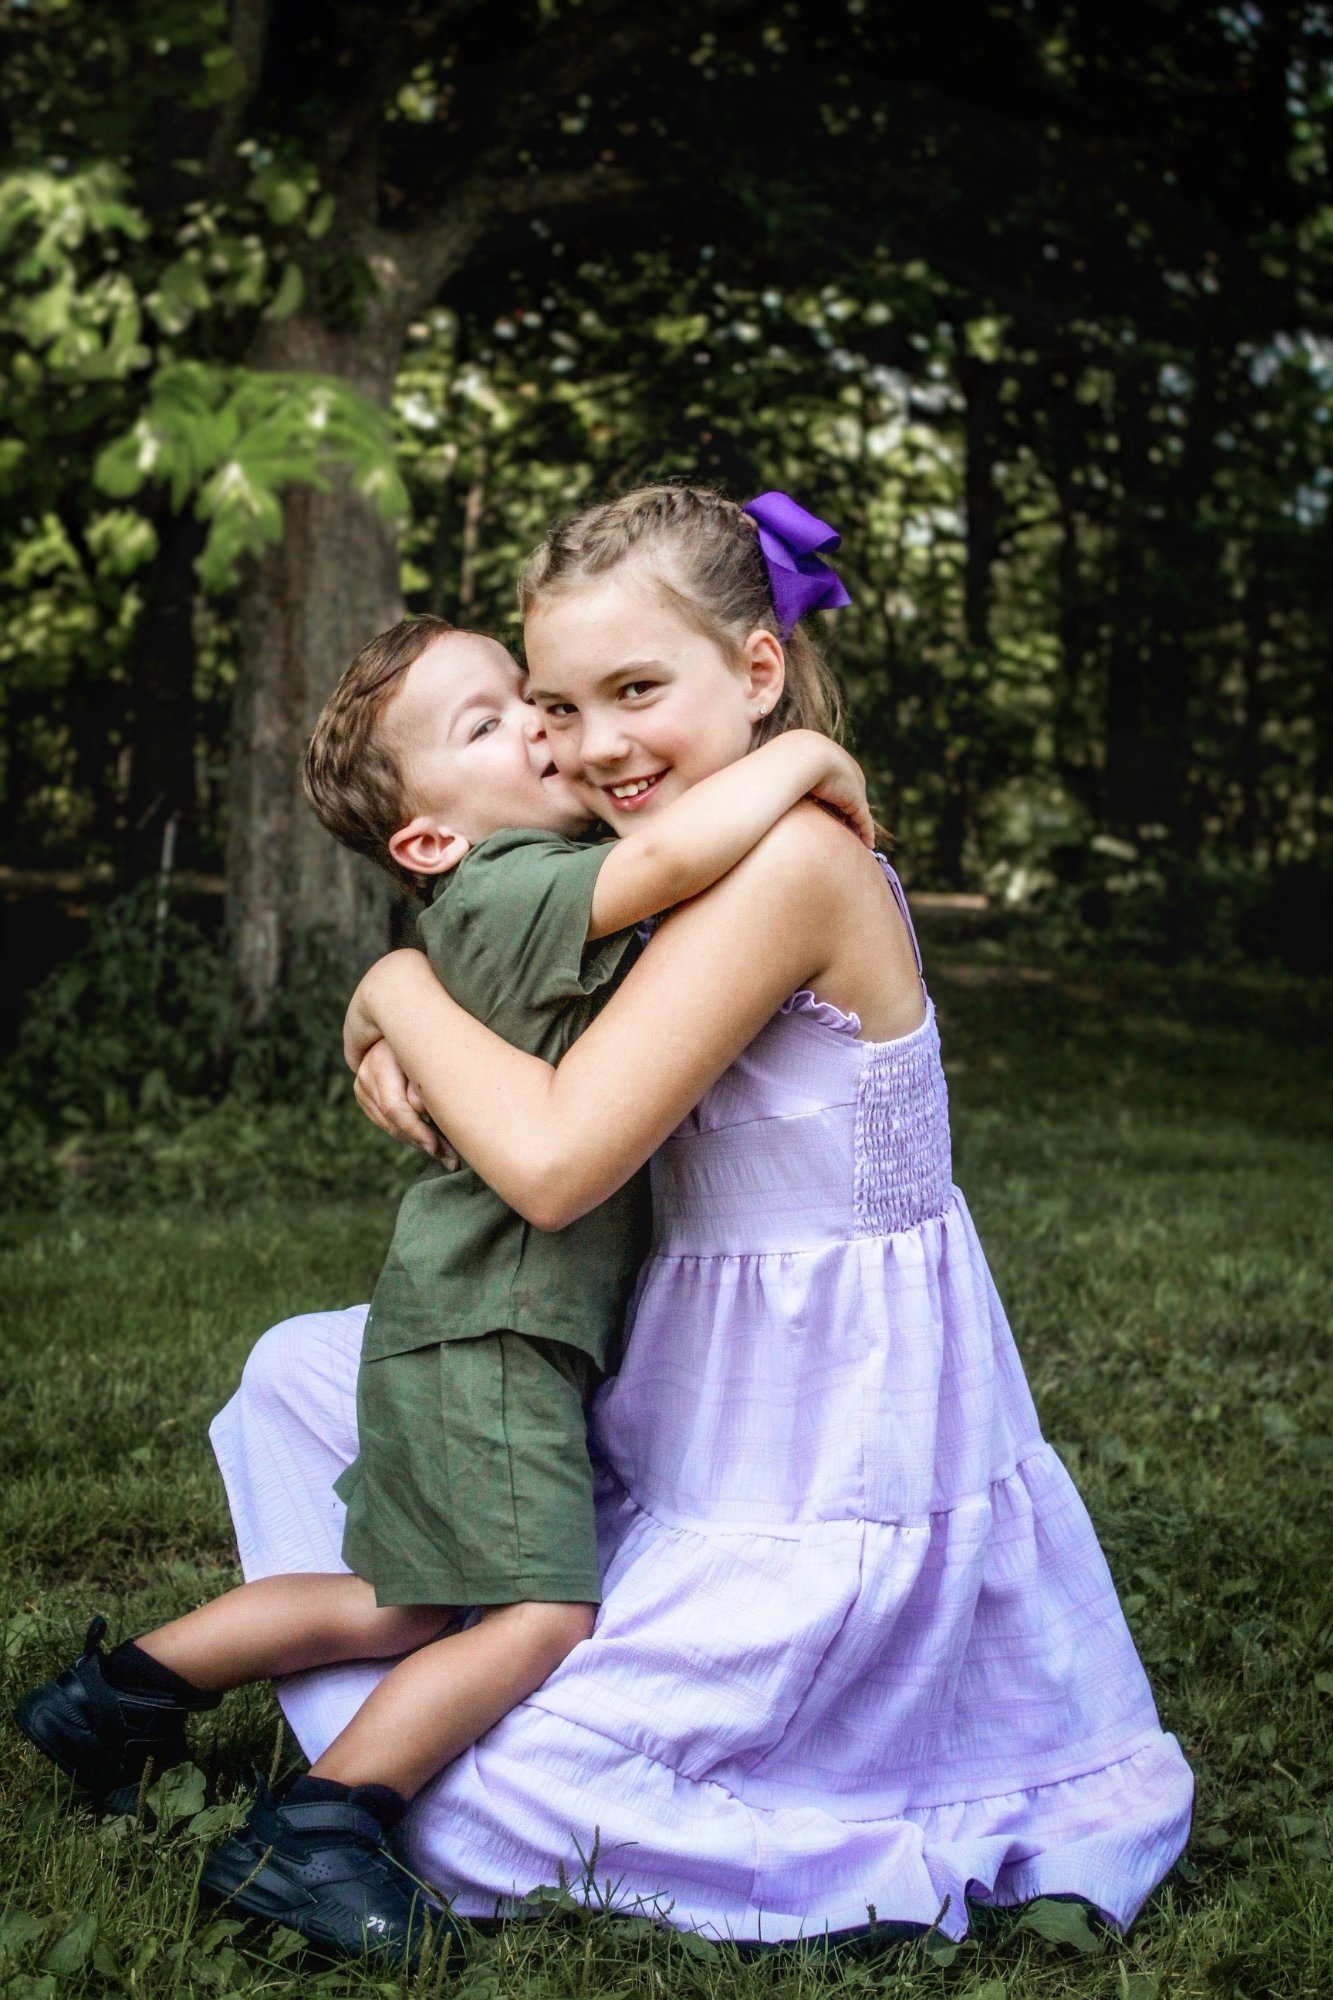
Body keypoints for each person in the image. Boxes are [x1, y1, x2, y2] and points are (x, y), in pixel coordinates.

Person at [215, 485, 1194, 1946]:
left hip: (819, 1421)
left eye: (635, 691)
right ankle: (242, 1674)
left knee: (500, 1805)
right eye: (556, 706)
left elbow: (550, 1163)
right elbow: (521, 1009)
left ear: (754, 670)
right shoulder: (662, 862)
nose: (594, 744)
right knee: (308, 1367)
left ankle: (339, 1765)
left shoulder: (789, 862)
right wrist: (382, 1030)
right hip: (685, 1362)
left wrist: (395, 989)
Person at [14, 606, 873, 1964]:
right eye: (491, 724)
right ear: (426, 843)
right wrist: (813, 762)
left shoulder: (515, 879)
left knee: (399, 1597)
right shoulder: (509, 887)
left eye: (524, 702)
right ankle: (321, 1826)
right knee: (537, 1613)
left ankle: (116, 1697)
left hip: (473, 1317)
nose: (538, 728)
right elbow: (680, 847)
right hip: (495, 1326)